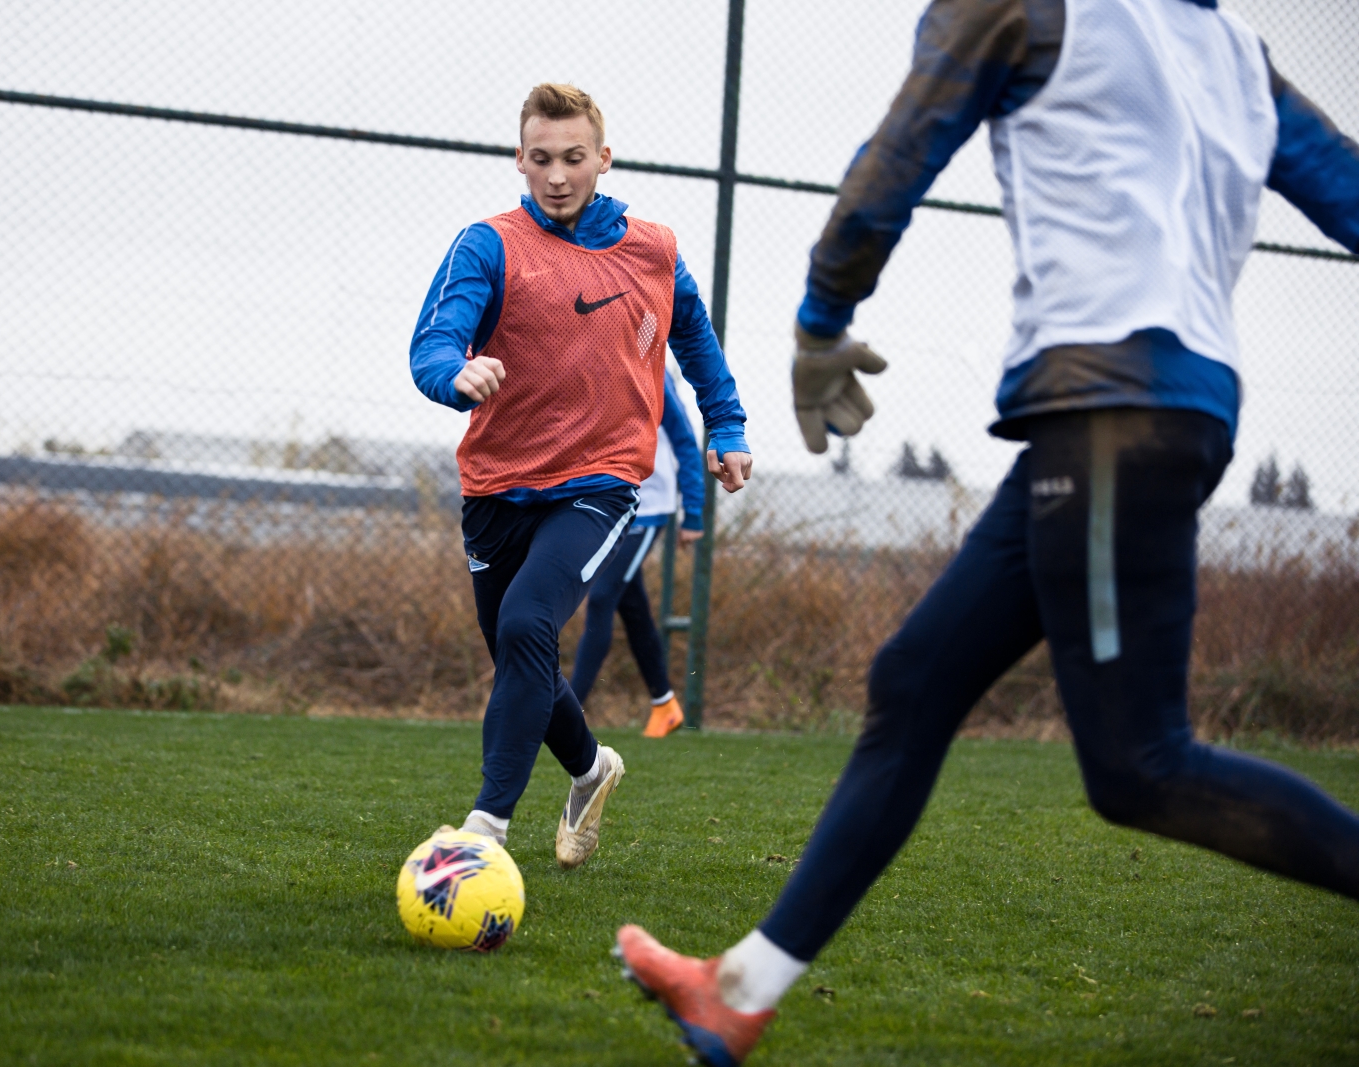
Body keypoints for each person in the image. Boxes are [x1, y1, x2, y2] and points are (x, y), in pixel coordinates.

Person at [613, 0, 1359, 1061]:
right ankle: (738, 990)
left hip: (1113, 411)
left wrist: (821, 320)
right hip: (1131, 415)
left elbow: (898, 156)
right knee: (912, 679)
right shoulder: (1234, 50)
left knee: (1141, 764)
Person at [410, 83, 752, 869]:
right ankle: (591, 766)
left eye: (573, 158)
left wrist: (726, 428)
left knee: (530, 622)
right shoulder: (487, 245)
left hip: (600, 483)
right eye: (541, 159)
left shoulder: (653, 249)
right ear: (519, 159)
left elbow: (696, 344)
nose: (557, 174)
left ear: (603, 157)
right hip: (496, 484)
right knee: (516, 649)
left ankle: (485, 832)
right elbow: (433, 341)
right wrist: (453, 375)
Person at [568, 368, 706, 738]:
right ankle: (665, 705)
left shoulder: (653, 373)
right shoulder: (592, 364)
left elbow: (685, 443)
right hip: (608, 505)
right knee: (632, 606)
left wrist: (693, 511)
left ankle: (566, 710)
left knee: (600, 597)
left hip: (647, 509)